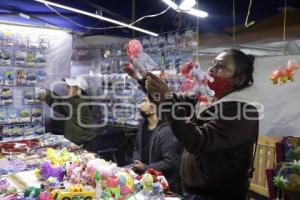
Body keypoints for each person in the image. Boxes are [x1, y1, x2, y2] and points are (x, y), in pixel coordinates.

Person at [126, 49, 259, 200]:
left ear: (239, 79)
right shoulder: (208, 98)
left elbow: (198, 140)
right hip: (196, 191)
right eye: (213, 64)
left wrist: (168, 102)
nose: (212, 69)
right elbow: (174, 99)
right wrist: (143, 78)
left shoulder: (243, 111)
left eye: (221, 66)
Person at [40, 76, 107, 154]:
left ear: (78, 90)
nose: (66, 89)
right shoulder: (81, 99)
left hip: (85, 144)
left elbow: (58, 103)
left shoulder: (77, 103)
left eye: (69, 87)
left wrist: (44, 93)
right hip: (86, 141)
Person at [132, 96, 181, 193]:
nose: (140, 104)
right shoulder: (142, 125)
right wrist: (136, 161)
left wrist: (145, 167)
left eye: (144, 101)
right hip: (144, 182)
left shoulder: (166, 131)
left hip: (161, 187)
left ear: (153, 108)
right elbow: (136, 148)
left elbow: (170, 162)